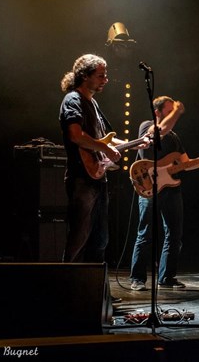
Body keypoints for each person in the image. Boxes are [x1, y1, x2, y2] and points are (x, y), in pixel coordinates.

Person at [129, 96, 199, 291]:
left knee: (174, 235)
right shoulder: (147, 126)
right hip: (149, 186)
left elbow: (187, 164)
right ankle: (137, 279)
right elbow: (160, 131)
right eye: (168, 111)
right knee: (145, 234)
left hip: (171, 189)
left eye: (172, 111)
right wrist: (177, 111)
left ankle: (166, 277)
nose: (172, 114)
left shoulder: (174, 138)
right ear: (157, 113)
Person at [59, 54, 147, 266]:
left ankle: (96, 283)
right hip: (81, 176)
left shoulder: (93, 103)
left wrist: (134, 143)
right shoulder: (73, 100)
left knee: (100, 239)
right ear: (84, 76)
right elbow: (76, 135)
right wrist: (105, 148)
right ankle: (66, 280)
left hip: (97, 177)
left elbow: (104, 138)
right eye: (100, 76)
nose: (105, 80)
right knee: (79, 236)